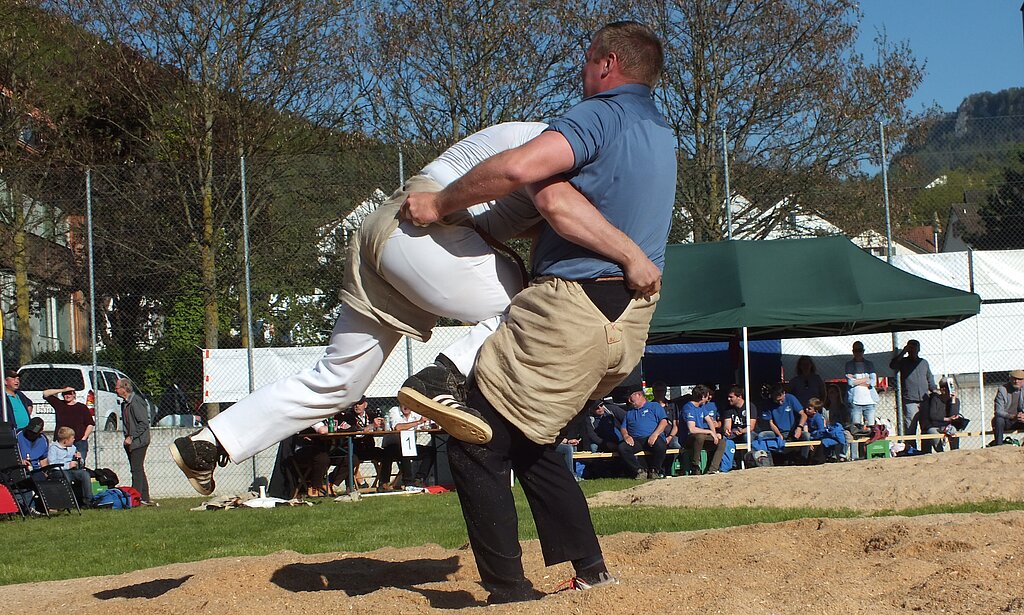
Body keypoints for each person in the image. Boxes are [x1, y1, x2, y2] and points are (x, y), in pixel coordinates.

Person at [169, 121, 654, 496]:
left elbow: (530, 218)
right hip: (421, 229)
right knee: (531, 308)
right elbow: (544, 200)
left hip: (390, 237)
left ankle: (210, 442)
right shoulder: (552, 144)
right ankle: (441, 378)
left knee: (338, 380)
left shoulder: (542, 144)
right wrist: (632, 255)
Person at [399, 21, 673, 601]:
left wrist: (442, 203)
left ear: (607, 64)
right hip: (627, 320)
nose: (582, 70)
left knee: (474, 446)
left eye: (587, 60)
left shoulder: (599, 116)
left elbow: (530, 175)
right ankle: (591, 570)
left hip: (572, 310)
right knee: (530, 439)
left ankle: (508, 592)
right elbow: (560, 207)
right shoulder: (659, 133)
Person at [617, 387, 668, 480]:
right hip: (636, 440)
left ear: (638, 395)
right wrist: (626, 436)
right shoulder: (629, 412)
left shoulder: (654, 406)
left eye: (630, 397)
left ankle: (655, 470)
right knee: (622, 448)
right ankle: (639, 471)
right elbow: (623, 428)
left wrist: (655, 434)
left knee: (661, 446)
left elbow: (664, 422)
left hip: (652, 437)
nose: (629, 400)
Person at [378, 405, 434, 490]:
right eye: (403, 403)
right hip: (394, 446)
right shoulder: (394, 411)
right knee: (402, 450)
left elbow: (427, 421)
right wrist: (418, 422)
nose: (406, 406)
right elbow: (398, 427)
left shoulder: (416, 412)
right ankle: (402, 482)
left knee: (430, 451)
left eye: (408, 403)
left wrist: (431, 424)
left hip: (409, 445)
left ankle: (419, 479)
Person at [115, 378, 153, 505]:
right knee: (138, 469)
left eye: (117, 387)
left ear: (124, 388)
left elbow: (143, 423)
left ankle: (135, 498)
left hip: (139, 441)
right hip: (130, 441)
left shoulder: (136, 401)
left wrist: (132, 437)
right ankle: (144, 497)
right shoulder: (125, 403)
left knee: (136, 469)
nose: (115, 389)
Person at [889, 339, 935, 436]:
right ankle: (911, 450)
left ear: (919, 349)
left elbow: (930, 378)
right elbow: (893, 365)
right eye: (911, 348)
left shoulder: (923, 362)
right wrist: (903, 352)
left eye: (915, 347)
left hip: (924, 400)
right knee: (910, 427)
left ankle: (926, 450)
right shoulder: (903, 362)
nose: (913, 350)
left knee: (926, 427)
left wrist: (934, 390)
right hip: (910, 400)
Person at [682, 384, 728, 475]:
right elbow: (692, 429)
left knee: (721, 442)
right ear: (702, 396)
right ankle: (695, 466)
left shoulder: (701, 407)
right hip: (688, 439)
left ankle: (712, 469)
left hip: (701, 438)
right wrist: (710, 432)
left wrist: (714, 435)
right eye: (707, 396)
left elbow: (709, 421)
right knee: (700, 436)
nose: (708, 398)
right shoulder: (688, 408)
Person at [43, 386, 95, 463]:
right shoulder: (59, 404)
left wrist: (84, 438)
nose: (67, 396)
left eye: (70, 394)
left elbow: (90, 424)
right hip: (62, 442)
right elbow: (45, 393)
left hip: (78, 441)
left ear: (74, 395)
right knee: (61, 464)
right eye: (65, 394)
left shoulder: (81, 407)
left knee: (79, 464)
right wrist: (63, 390)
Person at [46, 426, 92, 505]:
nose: (74, 440)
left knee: (84, 474)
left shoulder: (73, 448)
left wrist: (80, 459)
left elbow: (80, 463)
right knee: (66, 476)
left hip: (71, 471)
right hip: (58, 471)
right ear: (65, 441)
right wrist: (67, 466)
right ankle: (67, 501)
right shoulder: (53, 448)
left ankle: (88, 500)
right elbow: (52, 464)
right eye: (72, 438)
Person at [921, 378, 961, 453]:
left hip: (948, 426)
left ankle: (955, 452)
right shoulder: (935, 399)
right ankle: (940, 453)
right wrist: (947, 419)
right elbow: (933, 416)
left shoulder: (955, 400)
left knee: (954, 431)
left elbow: (954, 416)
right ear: (943, 390)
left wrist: (953, 401)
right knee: (933, 433)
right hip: (935, 426)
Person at [845, 341, 878, 429]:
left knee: (871, 429)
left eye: (860, 350)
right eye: (856, 350)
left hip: (869, 401)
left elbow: (873, 382)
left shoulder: (869, 364)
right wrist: (866, 380)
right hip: (855, 402)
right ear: (853, 351)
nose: (858, 352)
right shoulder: (849, 365)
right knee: (856, 429)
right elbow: (850, 382)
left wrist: (856, 380)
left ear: (863, 351)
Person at [992, 370, 1024, 445]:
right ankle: (999, 445)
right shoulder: (1002, 389)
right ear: (1010, 379)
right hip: (1007, 420)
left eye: (1019, 379)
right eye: (1014, 379)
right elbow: (998, 411)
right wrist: (1012, 416)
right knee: (998, 419)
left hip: (1020, 419)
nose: (1016, 381)